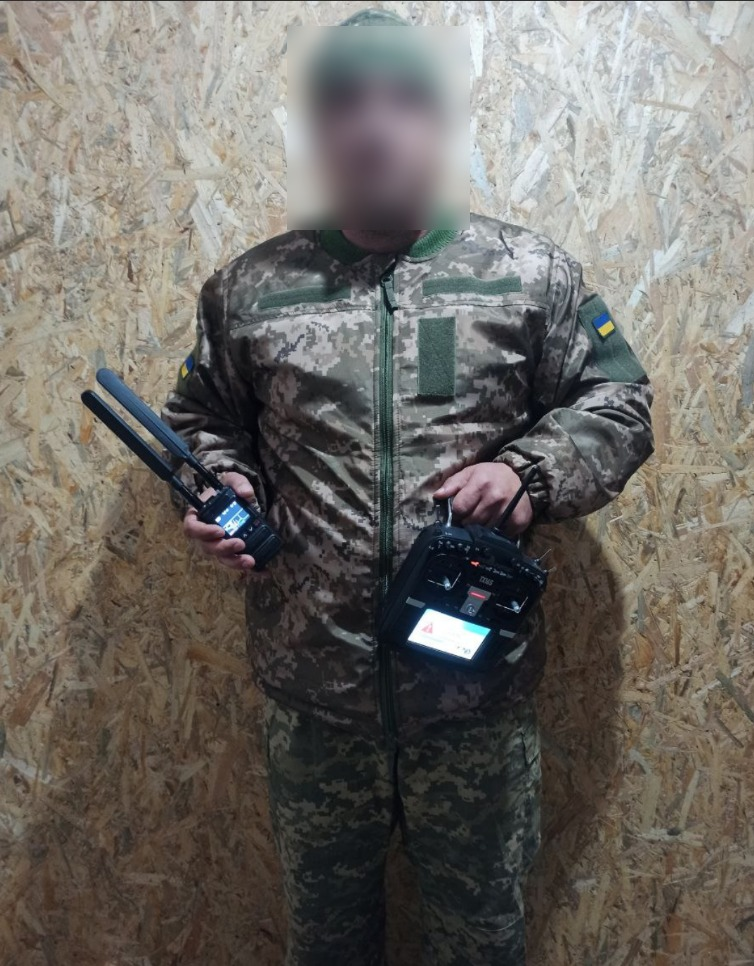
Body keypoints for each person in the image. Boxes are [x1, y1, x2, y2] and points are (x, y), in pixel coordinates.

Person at [162, 10, 653, 966]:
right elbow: (199, 417)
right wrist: (220, 480)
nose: (375, 127)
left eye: (407, 101)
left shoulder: (528, 276)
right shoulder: (251, 290)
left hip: (473, 700)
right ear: (317, 130)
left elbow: (619, 403)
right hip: (314, 704)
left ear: (443, 123)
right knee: (328, 943)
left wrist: (528, 473)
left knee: (482, 941)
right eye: (345, 102)